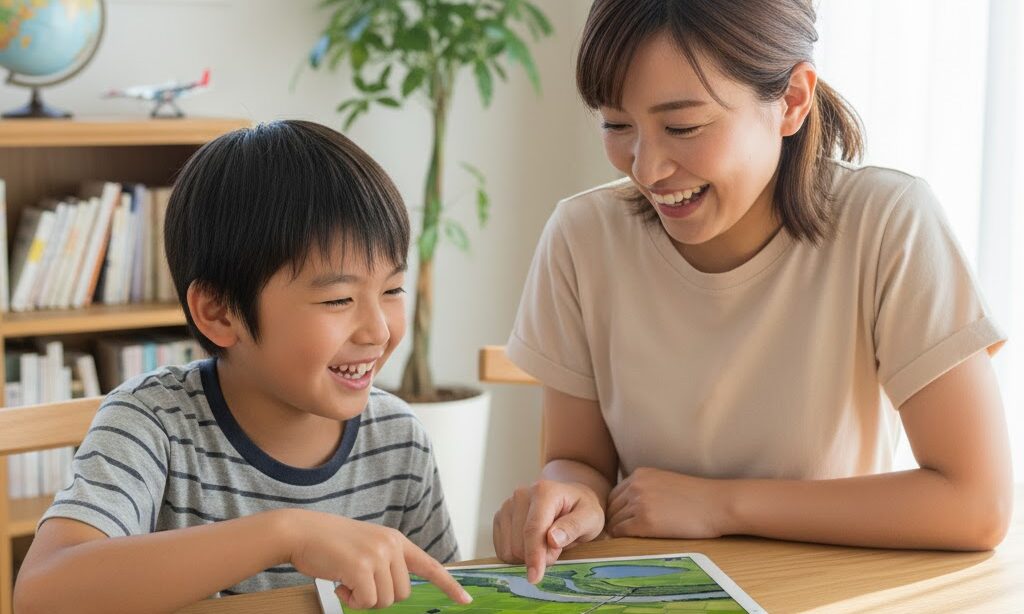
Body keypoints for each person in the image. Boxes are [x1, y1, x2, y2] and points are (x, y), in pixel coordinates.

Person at [493, 0, 1013, 583]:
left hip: (825, 589)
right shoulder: (582, 236)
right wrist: (570, 501)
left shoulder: (888, 222)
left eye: (682, 127)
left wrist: (719, 505)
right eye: (617, 125)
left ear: (792, 100)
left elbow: (976, 504)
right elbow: (580, 460)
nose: (647, 167)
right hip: (652, 587)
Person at [14, 120, 473, 613]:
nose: (378, 331)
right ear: (219, 312)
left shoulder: (397, 440)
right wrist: (286, 532)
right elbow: (43, 595)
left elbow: (445, 600)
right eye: (339, 298)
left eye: (392, 291)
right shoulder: (152, 423)